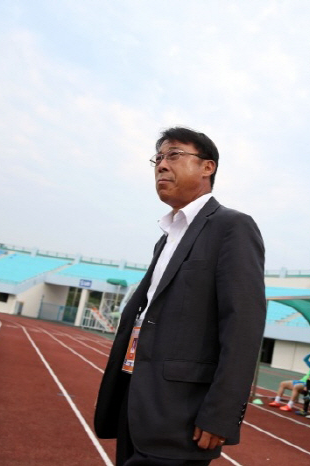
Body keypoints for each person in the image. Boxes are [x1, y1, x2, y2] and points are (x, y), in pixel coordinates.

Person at [94, 127, 266, 466]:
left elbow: (243, 325)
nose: (160, 165)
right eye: (157, 159)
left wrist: (222, 414)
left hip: (180, 414)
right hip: (137, 400)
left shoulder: (232, 227)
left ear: (207, 167)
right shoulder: (167, 236)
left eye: (173, 155)